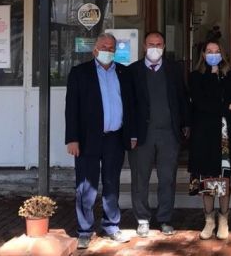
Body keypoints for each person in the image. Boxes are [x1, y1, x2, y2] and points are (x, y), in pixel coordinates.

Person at [64, 32, 132, 249]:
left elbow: (131, 106)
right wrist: (72, 139)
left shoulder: (124, 73)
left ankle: (112, 225)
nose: (107, 51)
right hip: (87, 139)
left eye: (111, 48)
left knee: (111, 183)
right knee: (86, 186)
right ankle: (84, 230)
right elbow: (71, 109)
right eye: (104, 47)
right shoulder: (79, 73)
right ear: (95, 50)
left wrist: (131, 134)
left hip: (115, 138)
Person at [127, 31, 191, 237]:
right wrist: (130, 134)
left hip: (168, 134)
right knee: (140, 178)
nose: (154, 48)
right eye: (151, 44)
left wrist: (185, 124)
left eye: (158, 44)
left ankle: (165, 218)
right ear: (144, 46)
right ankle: (142, 219)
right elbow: (128, 105)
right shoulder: (133, 71)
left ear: (164, 46)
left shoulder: (174, 69)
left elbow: (182, 97)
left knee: (167, 178)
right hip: (141, 135)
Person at [188, 40, 231, 240]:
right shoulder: (196, 76)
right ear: (203, 54)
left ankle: (224, 219)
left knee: (225, 178)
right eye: (209, 51)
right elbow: (201, 103)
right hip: (205, 135)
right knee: (207, 178)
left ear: (222, 54)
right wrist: (225, 106)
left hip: (226, 134)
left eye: (217, 51)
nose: (213, 54)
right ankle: (209, 220)